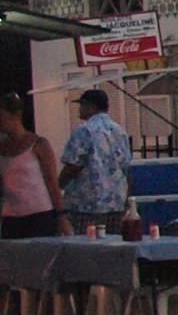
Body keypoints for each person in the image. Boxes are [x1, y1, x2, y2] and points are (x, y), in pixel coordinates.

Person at [58, 86, 132, 231]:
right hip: (116, 201)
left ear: (91, 106)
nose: (80, 109)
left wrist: (57, 186)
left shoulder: (84, 130)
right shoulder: (119, 131)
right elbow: (126, 167)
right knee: (113, 241)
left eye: (82, 105)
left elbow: (73, 165)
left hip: (87, 203)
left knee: (86, 242)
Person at [0, 94, 61, 238]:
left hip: (39, 213)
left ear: (16, 115)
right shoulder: (2, 147)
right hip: (11, 215)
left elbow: (52, 182)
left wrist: (60, 215)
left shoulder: (39, 144)